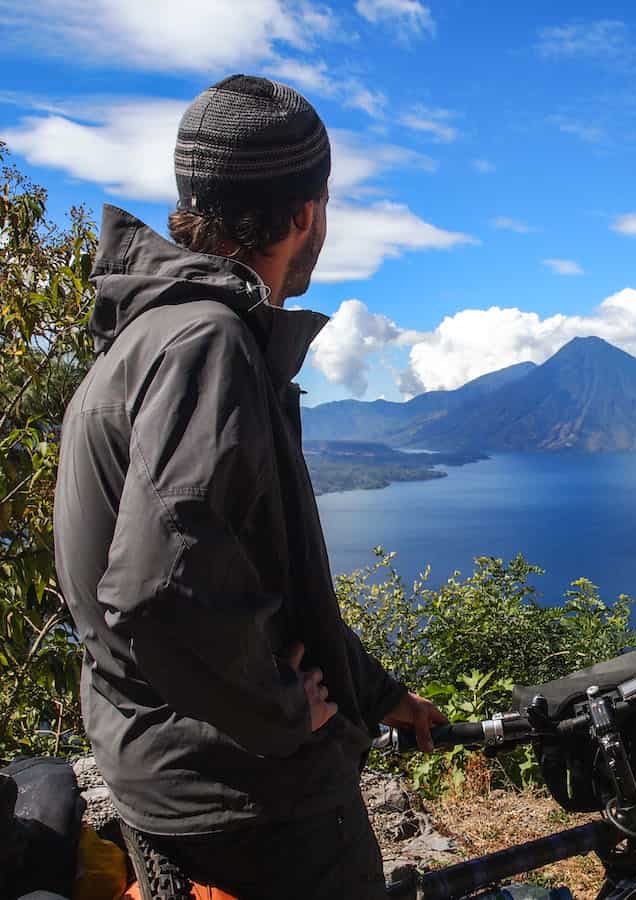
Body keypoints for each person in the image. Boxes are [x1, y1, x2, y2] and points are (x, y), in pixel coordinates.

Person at [53, 75, 446, 899]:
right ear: (304, 212)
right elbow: (160, 591)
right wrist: (280, 709)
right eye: (327, 203)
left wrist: (379, 695)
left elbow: (257, 589)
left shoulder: (147, 336)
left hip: (173, 780)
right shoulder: (209, 342)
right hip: (253, 810)